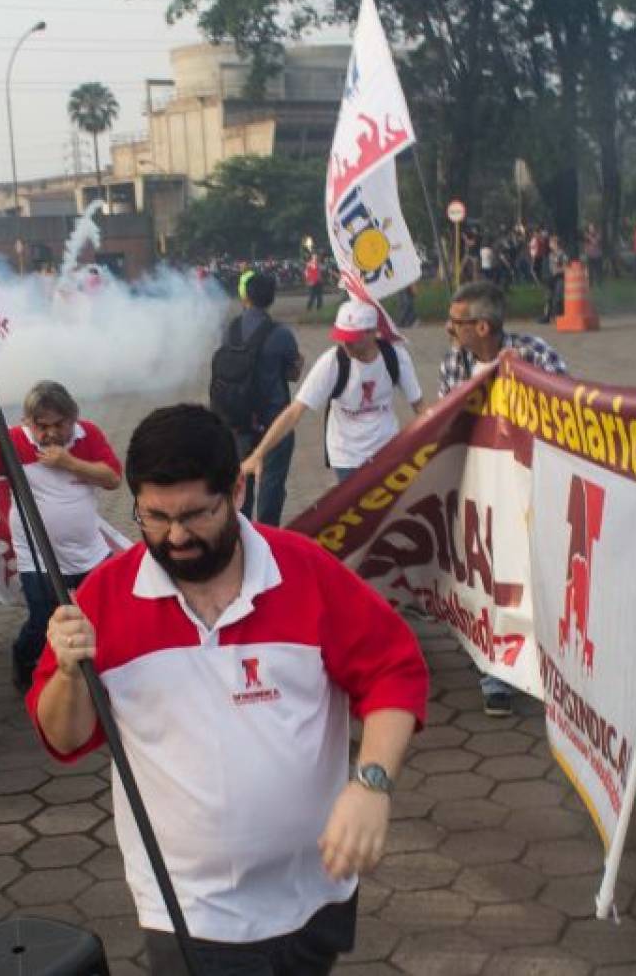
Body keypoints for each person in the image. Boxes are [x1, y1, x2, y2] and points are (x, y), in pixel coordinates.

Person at [32, 404, 428, 975]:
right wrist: (70, 671)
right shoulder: (101, 600)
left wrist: (371, 785)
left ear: (236, 491)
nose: (175, 536)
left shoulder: (305, 571)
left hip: (318, 890)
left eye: (195, 514)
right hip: (191, 910)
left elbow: (395, 669)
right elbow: (63, 736)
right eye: (154, 517)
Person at [439, 281, 568, 717]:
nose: (447, 329)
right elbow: (445, 423)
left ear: (482, 326)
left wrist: (526, 386)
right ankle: (495, 672)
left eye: (456, 323)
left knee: (533, 578)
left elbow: (572, 415)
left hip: (527, 492)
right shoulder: (454, 362)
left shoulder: (535, 355)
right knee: (487, 580)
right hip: (478, 492)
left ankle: (544, 663)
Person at [0, 380, 122, 693]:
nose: (49, 434)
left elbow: (113, 478)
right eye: (41, 426)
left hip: (90, 551)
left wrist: (69, 462)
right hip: (37, 556)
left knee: (101, 616)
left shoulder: (88, 434)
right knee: (43, 622)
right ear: (27, 422)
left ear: (73, 418)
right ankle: (24, 664)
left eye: (58, 425)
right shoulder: (14, 441)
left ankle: (100, 676)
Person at [242, 301, 424, 487]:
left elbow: (420, 406)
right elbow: (294, 412)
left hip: (387, 448)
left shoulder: (395, 357)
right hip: (347, 456)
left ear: (371, 332)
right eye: (342, 337)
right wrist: (258, 454)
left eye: (352, 338)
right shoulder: (333, 363)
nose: (345, 344)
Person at [213, 272, 302, 527]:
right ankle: (268, 533)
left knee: (241, 480)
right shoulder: (282, 333)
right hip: (275, 420)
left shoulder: (229, 329)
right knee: (272, 481)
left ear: (245, 297)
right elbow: (292, 373)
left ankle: (241, 532)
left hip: (236, 419)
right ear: (272, 299)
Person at [540, 235, 569, 323]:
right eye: (550, 243)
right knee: (548, 298)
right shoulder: (550, 254)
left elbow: (566, 266)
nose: (550, 245)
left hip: (559, 278)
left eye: (552, 243)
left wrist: (559, 270)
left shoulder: (562, 254)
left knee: (558, 298)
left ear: (556, 244)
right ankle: (547, 316)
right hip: (551, 278)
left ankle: (559, 316)